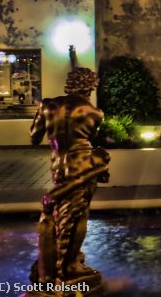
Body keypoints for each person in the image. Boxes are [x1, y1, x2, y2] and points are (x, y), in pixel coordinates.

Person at [29, 67, 109, 290]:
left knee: (60, 212)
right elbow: (89, 139)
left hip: (58, 166)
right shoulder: (95, 112)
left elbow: (34, 138)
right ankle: (69, 265)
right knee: (78, 214)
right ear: (90, 86)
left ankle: (60, 259)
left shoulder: (47, 105)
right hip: (82, 167)